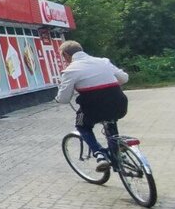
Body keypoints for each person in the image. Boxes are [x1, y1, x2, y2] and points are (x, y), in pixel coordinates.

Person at [54, 41, 129, 172]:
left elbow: (64, 99)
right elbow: (124, 78)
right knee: (110, 119)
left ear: (66, 54)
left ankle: (100, 154)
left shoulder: (70, 71)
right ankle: (116, 150)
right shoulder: (103, 61)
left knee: (81, 126)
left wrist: (58, 98)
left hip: (93, 109)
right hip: (119, 104)